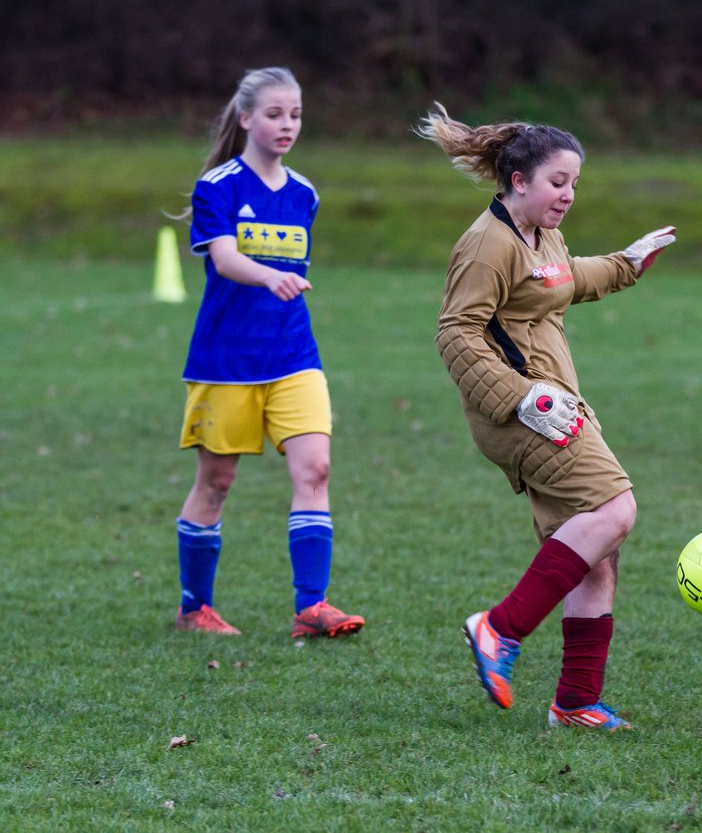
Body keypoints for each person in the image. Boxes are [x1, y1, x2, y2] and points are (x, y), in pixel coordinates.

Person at [416, 103, 676, 730]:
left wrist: (624, 265)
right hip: (519, 411)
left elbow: (561, 280)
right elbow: (456, 335)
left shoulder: (541, 235)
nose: (568, 196)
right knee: (616, 510)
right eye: (558, 183)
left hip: (552, 400)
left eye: (575, 185)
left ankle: (576, 702)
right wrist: (519, 397)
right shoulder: (487, 244)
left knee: (599, 549)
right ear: (519, 181)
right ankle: (498, 629)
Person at [172, 67, 364, 640]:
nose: (287, 125)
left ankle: (312, 606)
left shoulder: (305, 193)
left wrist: (281, 285)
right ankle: (194, 609)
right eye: (275, 114)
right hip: (226, 360)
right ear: (246, 117)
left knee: (316, 469)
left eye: (296, 115)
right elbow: (225, 260)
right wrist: (270, 277)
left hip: (293, 355)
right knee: (217, 481)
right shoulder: (218, 186)